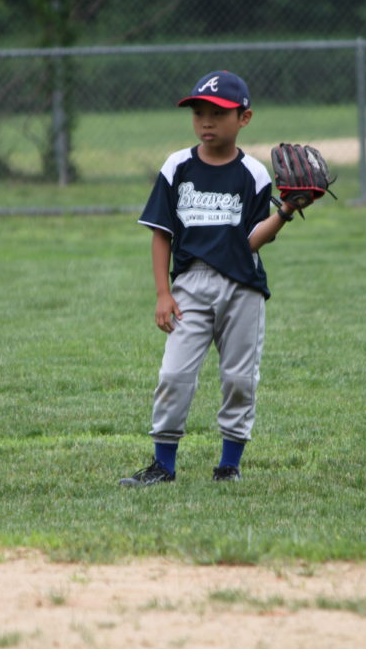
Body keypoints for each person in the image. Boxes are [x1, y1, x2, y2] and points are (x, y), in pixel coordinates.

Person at [119, 70, 295, 486]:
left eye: (218, 113)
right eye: (199, 113)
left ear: (244, 118)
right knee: (173, 375)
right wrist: (163, 293)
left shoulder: (254, 173)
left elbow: (252, 241)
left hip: (242, 286)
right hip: (189, 285)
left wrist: (285, 212)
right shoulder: (177, 166)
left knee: (239, 378)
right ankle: (163, 465)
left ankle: (229, 465)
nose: (206, 122)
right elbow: (161, 232)